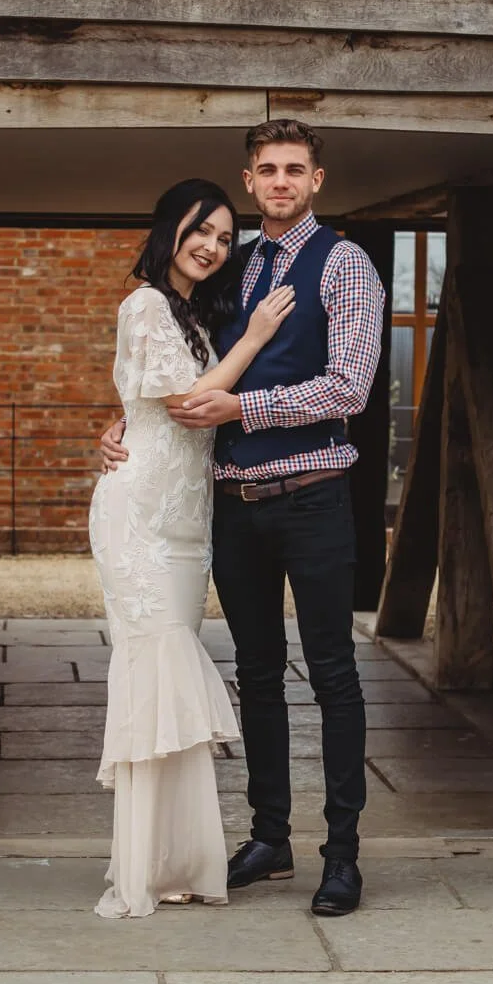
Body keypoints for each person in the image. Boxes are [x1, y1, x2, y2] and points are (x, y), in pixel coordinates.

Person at [101, 120, 385, 916]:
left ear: (317, 180)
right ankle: (269, 837)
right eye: (268, 170)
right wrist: (127, 417)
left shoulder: (346, 265)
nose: (282, 182)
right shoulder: (233, 266)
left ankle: (343, 854)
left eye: (296, 169)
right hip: (232, 504)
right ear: (250, 180)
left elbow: (349, 388)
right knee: (256, 674)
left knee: (332, 675)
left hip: (315, 496)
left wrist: (243, 405)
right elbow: (182, 365)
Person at [89, 177, 296, 919]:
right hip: (140, 515)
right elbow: (186, 406)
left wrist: (116, 421)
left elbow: (153, 402)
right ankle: (138, 871)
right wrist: (256, 338)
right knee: (155, 672)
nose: (212, 244)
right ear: (169, 228)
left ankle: (174, 860)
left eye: (223, 235)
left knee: (171, 685)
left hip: (186, 523)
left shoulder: (194, 315)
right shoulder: (146, 302)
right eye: (199, 229)